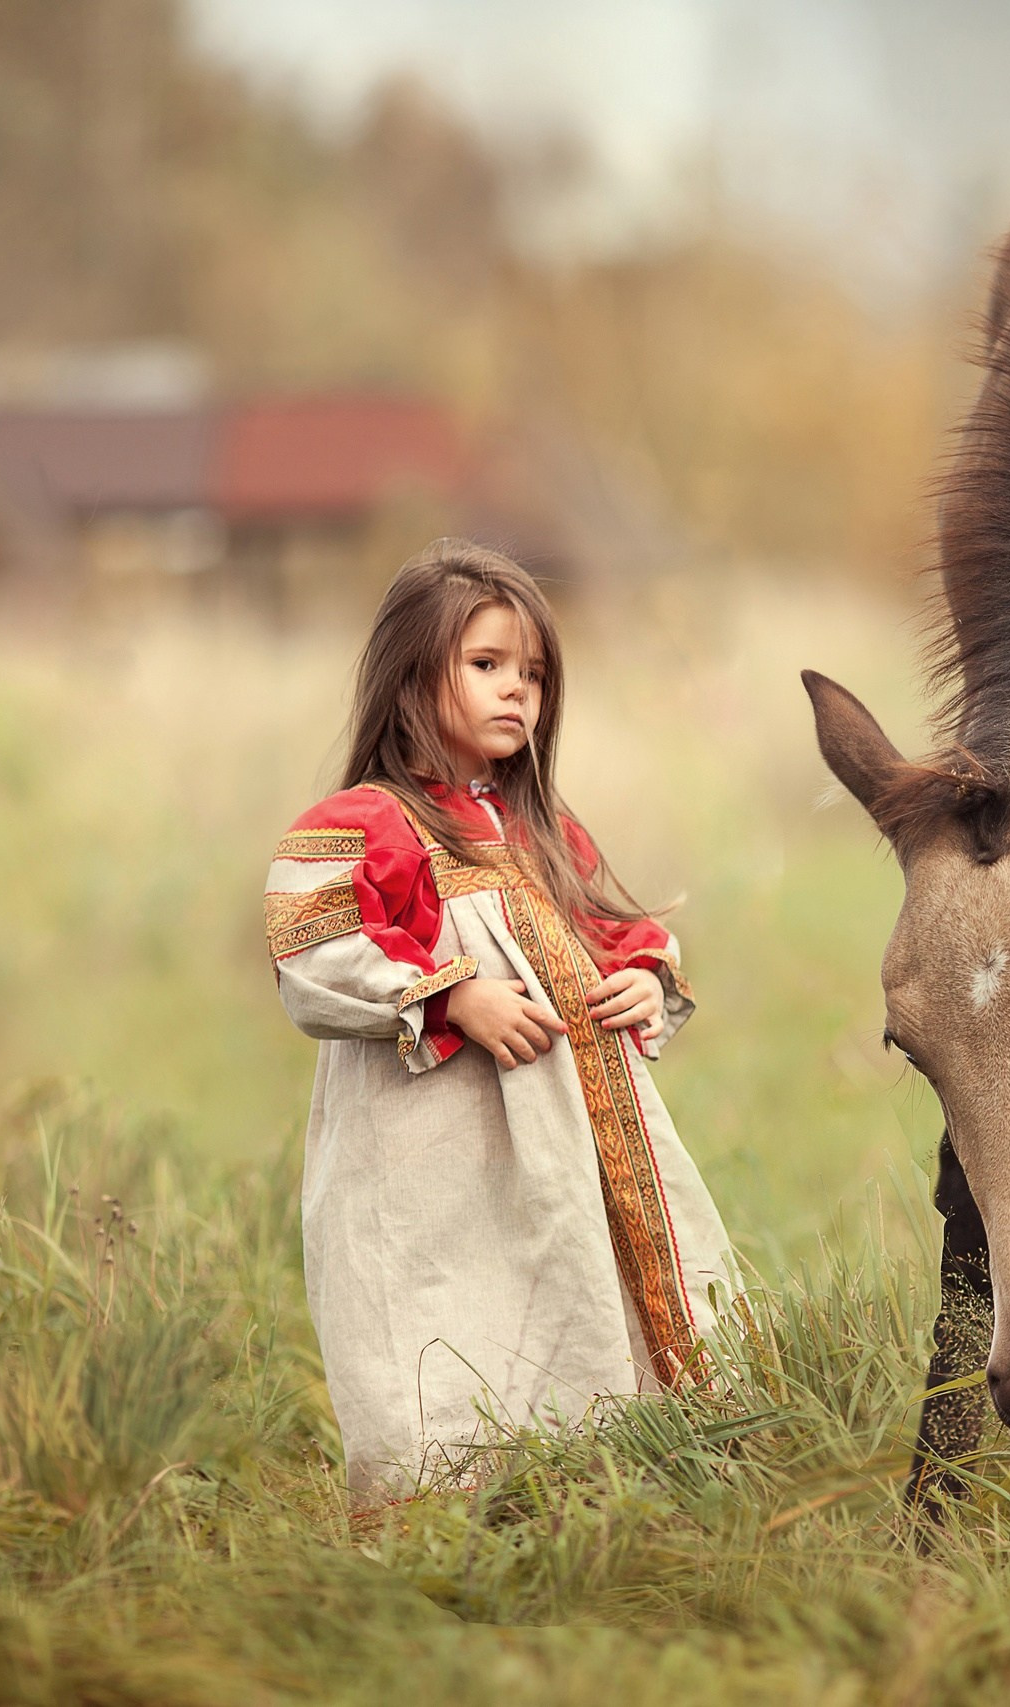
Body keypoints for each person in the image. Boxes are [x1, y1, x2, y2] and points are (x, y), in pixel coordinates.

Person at [263, 538, 735, 1503]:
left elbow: (614, 927)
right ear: (409, 677)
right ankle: (443, 1511)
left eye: (534, 673)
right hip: (436, 1151)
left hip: (566, 1142)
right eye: (486, 666)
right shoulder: (367, 822)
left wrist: (645, 976)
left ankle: (590, 1480)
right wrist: (448, 994)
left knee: (563, 1278)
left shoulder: (542, 830)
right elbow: (312, 959)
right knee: (449, 1300)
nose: (517, 691)